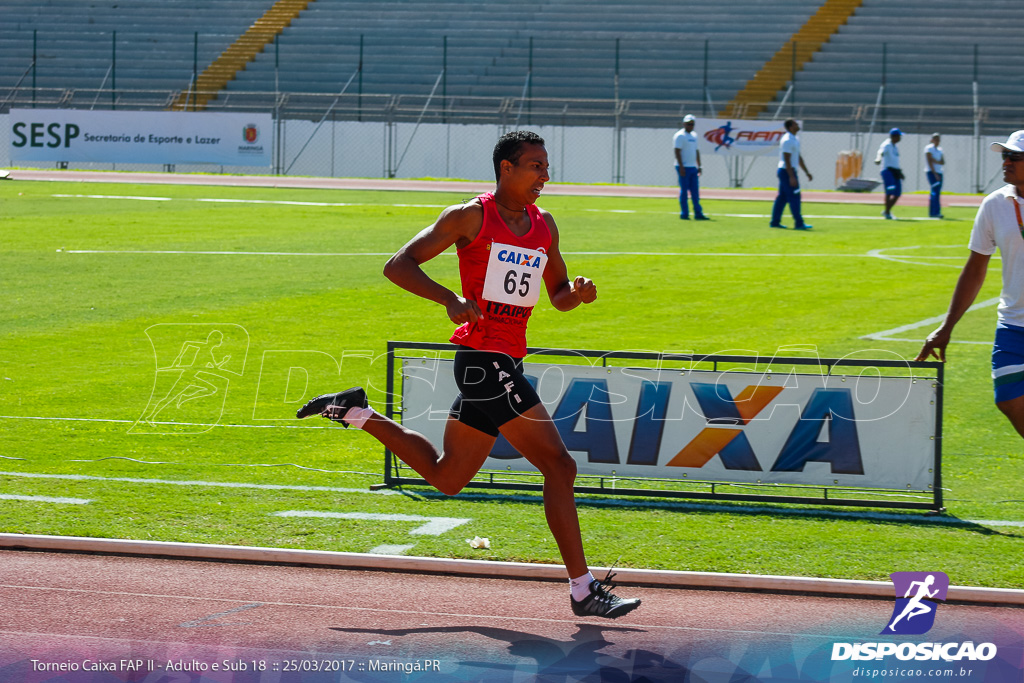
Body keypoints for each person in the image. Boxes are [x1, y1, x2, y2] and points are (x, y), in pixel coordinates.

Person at [297, 130, 642, 619]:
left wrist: (578, 293)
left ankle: (356, 411)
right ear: (506, 167)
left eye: (546, 166)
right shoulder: (471, 216)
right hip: (483, 361)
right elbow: (399, 265)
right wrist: (450, 300)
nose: (545, 175)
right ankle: (583, 589)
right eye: (535, 165)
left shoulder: (545, 226)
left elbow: (559, 294)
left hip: (505, 362)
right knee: (560, 467)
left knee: (448, 477)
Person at [916, 130, 1024, 439]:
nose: (1006, 162)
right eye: (1004, 156)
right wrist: (946, 327)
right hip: (1014, 325)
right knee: (1007, 399)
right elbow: (976, 269)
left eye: (1014, 156)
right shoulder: (995, 204)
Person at [770, 119, 814, 230]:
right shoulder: (787, 140)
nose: (797, 125)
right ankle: (799, 223)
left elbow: (798, 157)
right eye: (795, 124)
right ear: (790, 127)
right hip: (786, 171)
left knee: (782, 198)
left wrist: (806, 172)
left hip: (787, 171)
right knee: (794, 197)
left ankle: (775, 222)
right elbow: (787, 159)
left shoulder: (795, 139)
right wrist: (791, 176)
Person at [672, 114, 708, 220]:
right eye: (688, 124)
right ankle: (684, 213)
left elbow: (696, 151)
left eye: (692, 124)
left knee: (695, 191)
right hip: (683, 167)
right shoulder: (679, 136)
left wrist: (699, 165)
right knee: (684, 191)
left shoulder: (694, 136)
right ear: (684, 124)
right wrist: (681, 166)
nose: (690, 126)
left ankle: (698, 213)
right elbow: (677, 151)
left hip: (692, 167)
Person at [875, 128, 903, 220]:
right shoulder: (886, 144)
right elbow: (880, 152)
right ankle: (887, 212)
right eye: (899, 136)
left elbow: (895, 160)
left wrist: (900, 172)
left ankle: (887, 210)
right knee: (890, 191)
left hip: (895, 171)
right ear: (894, 136)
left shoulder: (896, 146)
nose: (900, 138)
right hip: (887, 170)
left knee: (898, 193)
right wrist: (878, 158)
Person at [924, 133, 945, 219]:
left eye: (938, 139)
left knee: (937, 192)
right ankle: (933, 212)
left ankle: (937, 212)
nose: (937, 141)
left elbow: (942, 161)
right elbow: (929, 161)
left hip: (939, 172)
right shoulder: (929, 148)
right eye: (935, 139)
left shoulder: (940, 149)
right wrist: (935, 173)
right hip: (932, 172)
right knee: (934, 192)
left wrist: (935, 161)